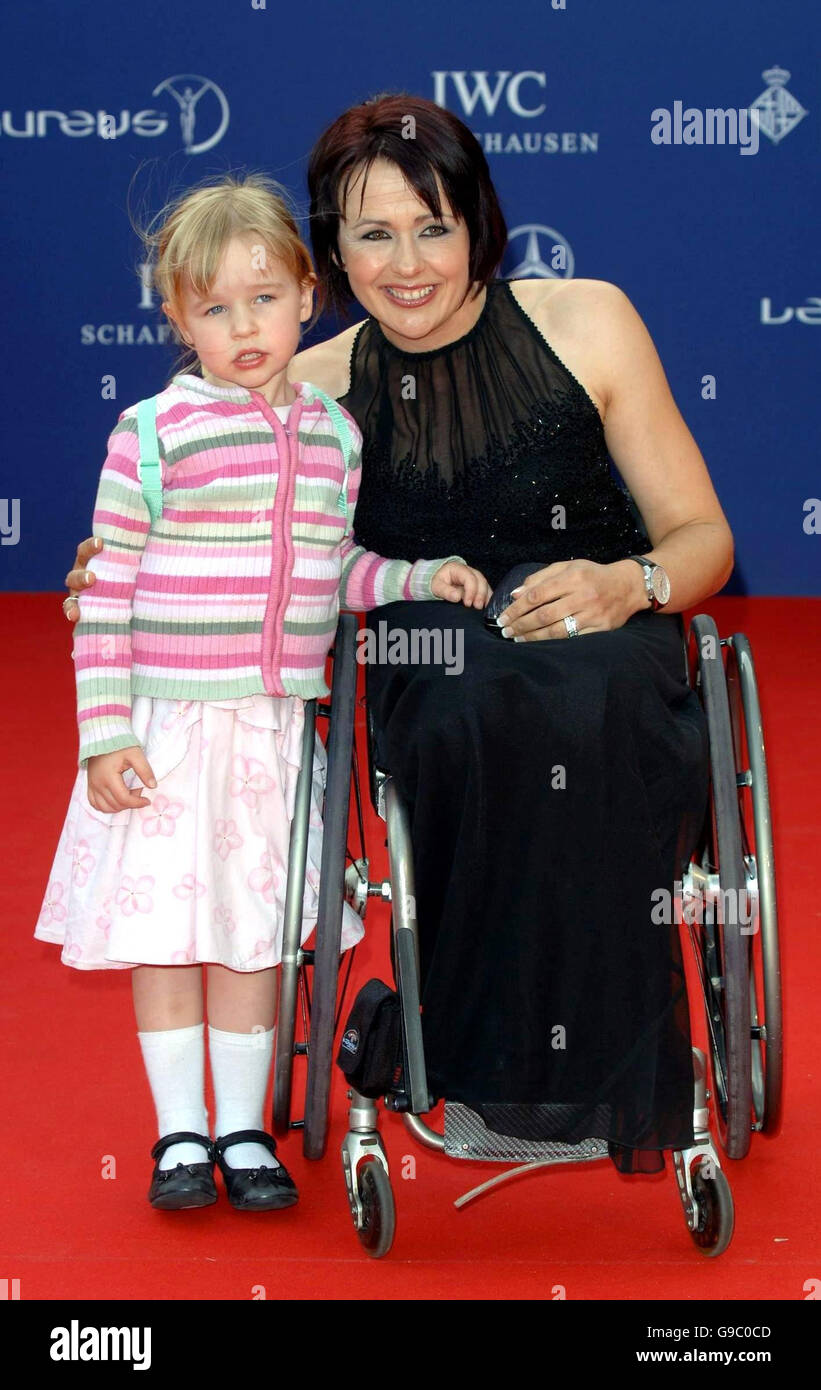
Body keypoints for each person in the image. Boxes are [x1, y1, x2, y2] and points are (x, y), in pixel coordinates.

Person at [64, 95, 734, 1177]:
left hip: (603, 624)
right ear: (330, 253)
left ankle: (609, 1063)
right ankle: (476, 1062)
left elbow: (703, 538)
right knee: (467, 712)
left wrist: (629, 582)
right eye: (373, 233)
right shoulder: (305, 390)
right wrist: (116, 567)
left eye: (433, 227)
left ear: (478, 223)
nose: (408, 262)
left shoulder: (588, 320)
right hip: (429, 647)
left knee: (597, 703)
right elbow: (183, 504)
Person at [39, 170, 488, 1213]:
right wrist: (103, 734)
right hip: (169, 729)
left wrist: (416, 579)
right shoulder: (151, 434)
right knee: (165, 933)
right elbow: (102, 588)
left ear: (303, 295)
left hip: (275, 736)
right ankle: (177, 1134)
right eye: (212, 308)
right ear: (175, 320)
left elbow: (336, 572)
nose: (243, 327)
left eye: (263, 299)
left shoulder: (334, 438)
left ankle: (242, 1129)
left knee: (252, 933)